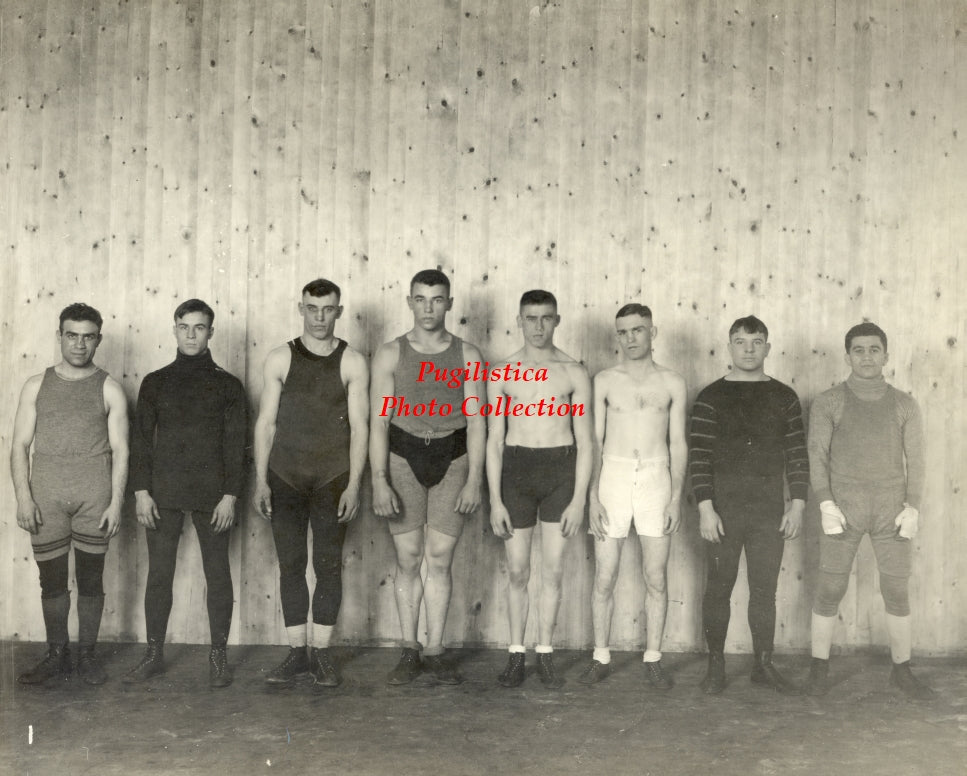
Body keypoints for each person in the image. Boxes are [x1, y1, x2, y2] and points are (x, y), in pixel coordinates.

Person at [804, 322, 932, 699]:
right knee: (830, 586)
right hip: (843, 506)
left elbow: (918, 461)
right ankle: (818, 669)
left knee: (895, 587)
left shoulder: (904, 403)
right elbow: (817, 456)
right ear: (847, 357)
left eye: (874, 349)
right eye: (858, 350)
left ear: (886, 356)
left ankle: (901, 669)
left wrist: (913, 507)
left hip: (891, 507)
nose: (866, 357)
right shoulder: (830, 401)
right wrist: (826, 501)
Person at [124, 299, 247, 688]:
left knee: (218, 573)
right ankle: (154, 654)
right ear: (174, 329)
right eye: (184, 327)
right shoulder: (156, 381)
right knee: (159, 575)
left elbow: (236, 445)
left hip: (214, 496)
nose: (191, 334)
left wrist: (230, 496)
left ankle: (218, 658)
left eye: (200, 327)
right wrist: (141, 492)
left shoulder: (228, 385)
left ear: (212, 332)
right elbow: (140, 442)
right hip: (164, 493)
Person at [370, 269, 485, 685]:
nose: (429, 307)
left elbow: (476, 423)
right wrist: (379, 480)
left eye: (437, 299)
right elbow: (379, 422)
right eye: (421, 299)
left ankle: (435, 648)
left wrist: (474, 479)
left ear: (449, 303)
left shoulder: (468, 355)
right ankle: (408, 648)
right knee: (408, 558)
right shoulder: (390, 353)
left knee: (439, 559)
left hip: (453, 459)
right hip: (402, 457)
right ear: (410, 302)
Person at [254, 278, 369, 688]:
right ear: (301, 309)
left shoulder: (353, 361)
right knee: (290, 565)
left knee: (327, 565)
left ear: (339, 311)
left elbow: (360, 428)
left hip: (332, 479)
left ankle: (320, 654)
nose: (320, 318)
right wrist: (260, 482)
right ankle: (295, 653)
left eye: (328, 309)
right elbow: (266, 423)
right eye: (312, 309)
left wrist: (354, 485)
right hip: (284, 477)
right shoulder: (279, 358)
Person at [689, 315, 808, 694]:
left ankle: (763, 664)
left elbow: (797, 455)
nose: (749, 349)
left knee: (763, 590)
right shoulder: (710, 396)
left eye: (756, 342)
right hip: (723, 511)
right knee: (719, 587)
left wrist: (799, 505)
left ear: (768, 347)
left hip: (768, 511)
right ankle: (715, 666)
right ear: (729, 347)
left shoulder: (784, 397)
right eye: (740, 342)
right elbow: (699, 457)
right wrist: (706, 507)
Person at [11, 303, 129, 685]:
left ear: (98, 339)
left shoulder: (109, 387)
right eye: (72, 335)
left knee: (92, 580)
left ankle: (88, 658)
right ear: (59, 335)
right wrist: (24, 498)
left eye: (88, 336)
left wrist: (116, 501)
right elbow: (18, 446)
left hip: (93, 496)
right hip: (46, 495)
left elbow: (122, 450)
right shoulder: (36, 384)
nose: (80, 344)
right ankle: (57, 655)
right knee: (53, 581)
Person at [487, 290, 592, 688]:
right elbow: (495, 441)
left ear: (557, 320)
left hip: (559, 472)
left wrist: (579, 498)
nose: (538, 326)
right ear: (519, 320)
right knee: (517, 571)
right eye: (530, 318)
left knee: (552, 570)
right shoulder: (501, 373)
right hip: (516, 472)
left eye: (545, 318)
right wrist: (495, 499)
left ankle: (544, 652)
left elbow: (585, 441)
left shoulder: (572, 372)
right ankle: (516, 653)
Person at [579, 304, 686, 689]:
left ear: (653, 332)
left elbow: (678, 442)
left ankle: (653, 657)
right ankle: (600, 655)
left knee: (655, 576)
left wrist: (674, 497)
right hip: (614, 476)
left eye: (638, 330)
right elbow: (593, 440)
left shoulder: (672, 381)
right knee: (604, 576)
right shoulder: (605, 380)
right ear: (617, 336)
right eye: (623, 332)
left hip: (657, 479)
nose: (630, 338)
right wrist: (592, 495)